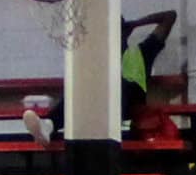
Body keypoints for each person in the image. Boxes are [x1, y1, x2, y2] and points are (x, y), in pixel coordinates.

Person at [22, 9, 181, 143]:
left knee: (121, 84)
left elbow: (169, 16)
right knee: (78, 89)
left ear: (124, 33)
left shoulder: (143, 51)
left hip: (128, 106)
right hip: (100, 105)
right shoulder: (99, 59)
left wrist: (135, 23)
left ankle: (51, 124)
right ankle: (48, 125)